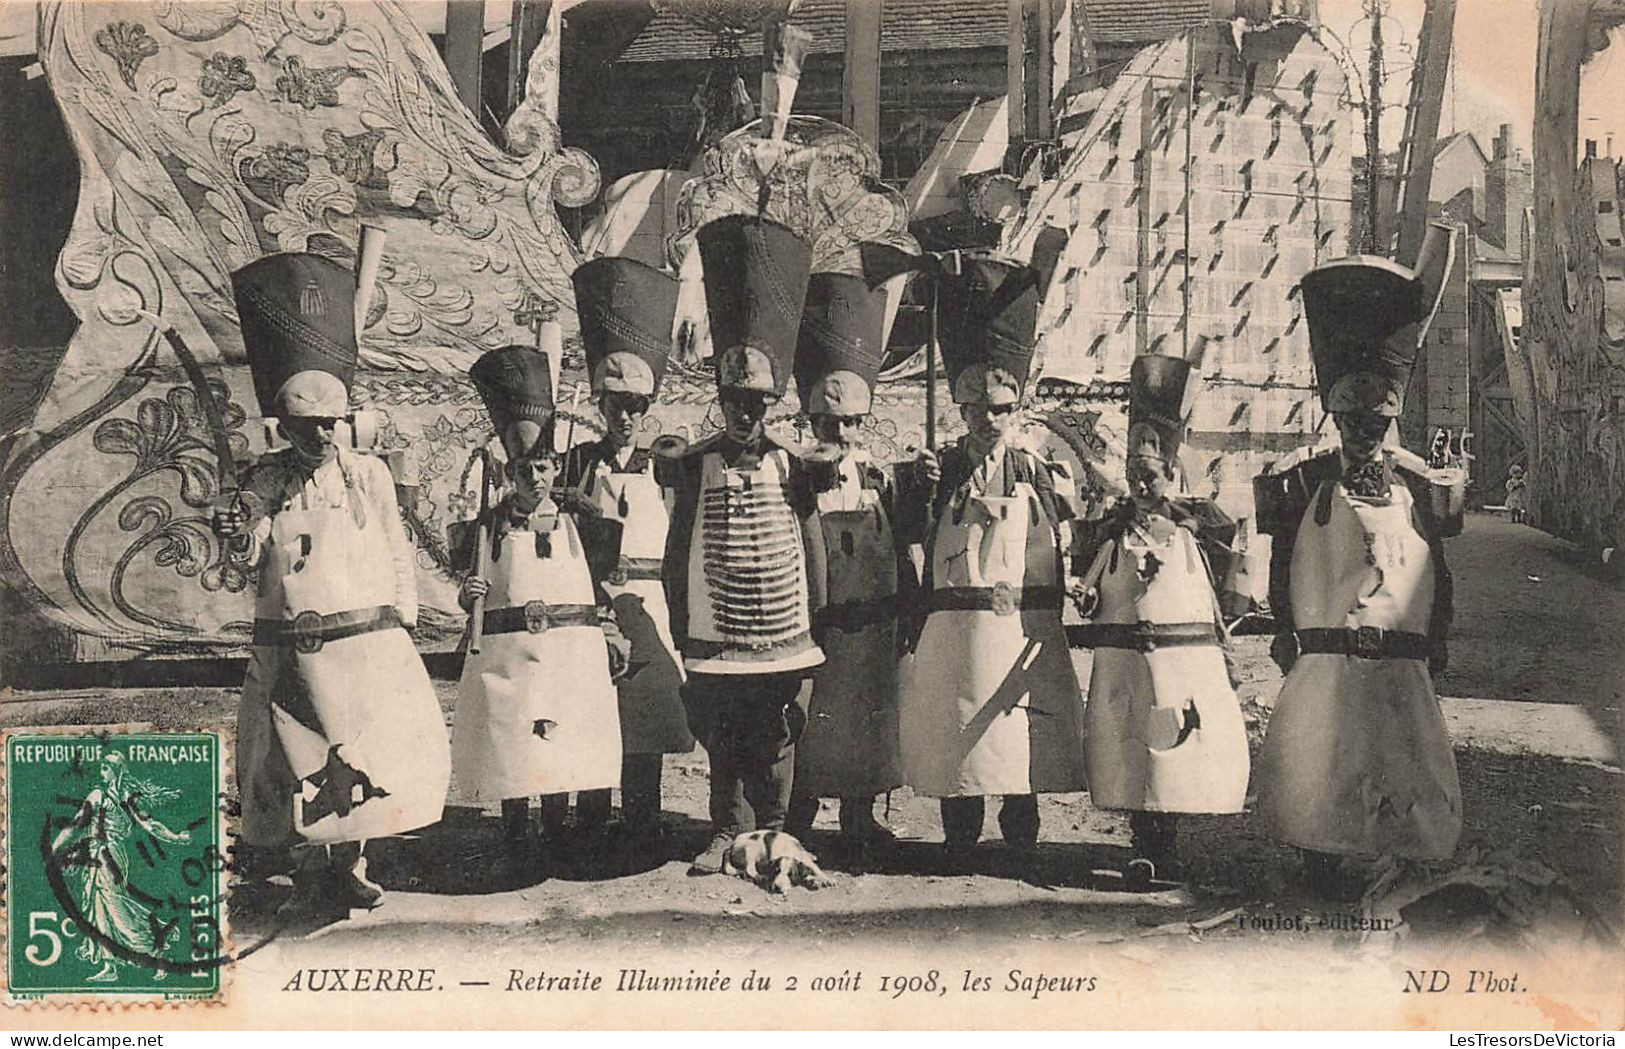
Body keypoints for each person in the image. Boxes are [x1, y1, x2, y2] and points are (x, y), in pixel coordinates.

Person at [216, 251, 451, 912]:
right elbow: (249, 553)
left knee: (363, 750)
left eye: (330, 423)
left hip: (362, 639)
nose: (321, 434)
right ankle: (306, 868)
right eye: (307, 425)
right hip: (293, 644)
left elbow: (392, 541)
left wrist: (402, 613)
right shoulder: (266, 479)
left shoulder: (367, 474)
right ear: (284, 424)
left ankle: (352, 863)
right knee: (297, 756)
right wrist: (240, 525)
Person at [1254, 229, 1463, 899]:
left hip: (1397, 652)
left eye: (1373, 421)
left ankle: (1396, 851)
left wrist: (1437, 636)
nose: (1361, 432)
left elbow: (1438, 567)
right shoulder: (1304, 481)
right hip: (1326, 650)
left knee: (1398, 755)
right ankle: (1318, 853)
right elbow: (1283, 557)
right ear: (1333, 415)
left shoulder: (1417, 486)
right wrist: (1283, 626)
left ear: (1390, 419)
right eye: (1349, 418)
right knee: (1324, 754)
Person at [895, 250, 1087, 867]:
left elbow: (1064, 534)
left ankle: (1021, 835)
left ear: (1016, 408)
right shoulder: (941, 467)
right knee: (960, 730)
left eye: (1000, 410)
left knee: (1015, 733)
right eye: (975, 410)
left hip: (1014, 623)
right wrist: (922, 489)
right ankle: (959, 835)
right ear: (961, 408)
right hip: (956, 625)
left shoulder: (1034, 466)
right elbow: (915, 534)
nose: (987, 421)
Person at [659, 215, 827, 874]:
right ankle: (725, 828)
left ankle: (777, 828)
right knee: (722, 732)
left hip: (783, 627)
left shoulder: (793, 464)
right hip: (716, 625)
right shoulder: (695, 464)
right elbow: (679, 548)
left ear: (771, 403)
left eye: (756, 401)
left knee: (776, 730)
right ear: (721, 397)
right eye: (735, 399)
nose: (745, 412)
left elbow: (809, 543)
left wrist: (818, 616)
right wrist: (679, 618)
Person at [1071, 354, 1249, 888]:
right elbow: (1090, 582)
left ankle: (1164, 846)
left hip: (1179, 659)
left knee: (1172, 750)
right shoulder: (1112, 527)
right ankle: (1142, 846)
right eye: (1132, 477)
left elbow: (1232, 588)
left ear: (1171, 474)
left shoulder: (1200, 526)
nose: (1140, 486)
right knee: (1131, 749)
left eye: (1150, 476)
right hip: (1126, 658)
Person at [452, 345, 629, 863]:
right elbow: (472, 587)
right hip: (510, 652)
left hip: (568, 650)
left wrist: (611, 631)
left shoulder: (581, 521)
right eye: (526, 469)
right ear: (512, 471)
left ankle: (558, 829)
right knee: (514, 735)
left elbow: (601, 585)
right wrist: (469, 595)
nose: (537, 479)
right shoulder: (491, 526)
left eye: (545, 468)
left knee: (563, 732)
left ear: (555, 468)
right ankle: (515, 832)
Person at [559, 256, 695, 851]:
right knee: (592, 711)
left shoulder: (667, 468)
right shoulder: (574, 464)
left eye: (636, 406)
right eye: (615, 405)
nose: (626, 417)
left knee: (646, 715)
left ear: (649, 408)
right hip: (593, 599)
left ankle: (642, 819)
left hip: (653, 600)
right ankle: (589, 818)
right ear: (598, 403)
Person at [782, 264, 914, 856]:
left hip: (872, 627)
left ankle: (860, 818)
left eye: (851, 423)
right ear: (810, 422)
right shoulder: (792, 482)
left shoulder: (882, 479)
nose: (840, 432)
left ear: (864, 424)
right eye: (828, 422)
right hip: (817, 625)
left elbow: (908, 543)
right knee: (807, 723)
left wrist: (907, 613)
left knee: (866, 722)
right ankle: (798, 816)